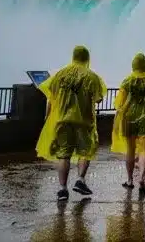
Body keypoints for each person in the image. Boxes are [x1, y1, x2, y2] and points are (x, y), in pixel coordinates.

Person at [36, 45, 107, 201]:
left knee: (64, 154)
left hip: (62, 120)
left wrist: (47, 118)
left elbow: (50, 98)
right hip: (84, 121)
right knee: (86, 151)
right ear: (87, 58)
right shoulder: (92, 77)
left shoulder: (60, 74)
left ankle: (62, 189)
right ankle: (80, 179)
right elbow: (99, 99)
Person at [111, 52, 145, 195]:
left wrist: (116, 120)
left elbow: (119, 104)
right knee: (143, 151)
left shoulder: (127, 81)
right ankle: (141, 178)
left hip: (129, 117)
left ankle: (129, 180)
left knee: (130, 150)